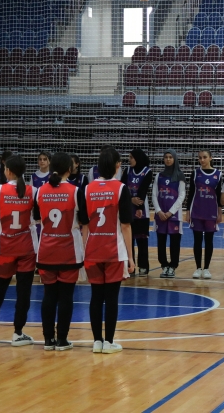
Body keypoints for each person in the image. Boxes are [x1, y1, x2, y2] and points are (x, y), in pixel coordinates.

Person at [0, 155, 37, 347]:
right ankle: (18, 333)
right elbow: (35, 218)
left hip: (5, 247)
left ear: (8, 171)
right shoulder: (32, 190)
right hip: (26, 247)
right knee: (24, 292)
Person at [34, 152, 88, 351]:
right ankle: (62, 339)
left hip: (46, 249)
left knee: (49, 295)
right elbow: (84, 221)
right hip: (68, 251)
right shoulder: (75, 191)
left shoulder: (40, 191)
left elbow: (37, 217)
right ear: (69, 169)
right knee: (66, 296)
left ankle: (48, 340)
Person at [83, 148, 135, 354]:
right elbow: (126, 225)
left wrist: (85, 251)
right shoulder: (121, 188)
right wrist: (130, 257)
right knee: (112, 298)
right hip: (114, 251)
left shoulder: (87, 189)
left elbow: (84, 225)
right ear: (118, 165)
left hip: (92, 250)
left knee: (96, 296)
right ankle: (109, 342)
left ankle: (97, 341)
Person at [186, 150, 223, 280]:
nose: (202, 160)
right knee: (197, 240)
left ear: (210, 158)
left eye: (205, 157)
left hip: (211, 211)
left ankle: (206, 268)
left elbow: (219, 195)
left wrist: (220, 212)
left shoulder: (218, 174)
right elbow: (191, 193)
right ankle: (198, 268)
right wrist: (187, 211)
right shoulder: (195, 173)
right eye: (200, 157)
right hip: (197, 211)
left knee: (209, 240)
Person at [152, 149, 185, 279]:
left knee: (174, 243)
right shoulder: (158, 176)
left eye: (170, 157)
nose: (168, 159)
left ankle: (173, 266)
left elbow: (181, 196)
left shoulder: (180, 176)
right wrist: (159, 211)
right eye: (166, 157)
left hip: (174, 216)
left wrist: (171, 212)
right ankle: (164, 265)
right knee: (161, 242)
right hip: (160, 215)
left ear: (174, 159)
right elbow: (154, 195)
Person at [121, 149, 153, 276]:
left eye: (131, 157)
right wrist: (130, 199)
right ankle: (130, 267)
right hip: (128, 207)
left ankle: (143, 266)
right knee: (128, 239)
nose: (129, 159)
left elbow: (143, 190)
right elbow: (122, 188)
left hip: (142, 209)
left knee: (142, 239)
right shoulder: (127, 171)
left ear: (138, 158)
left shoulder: (147, 171)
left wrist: (139, 206)